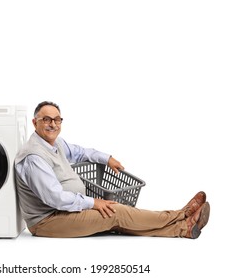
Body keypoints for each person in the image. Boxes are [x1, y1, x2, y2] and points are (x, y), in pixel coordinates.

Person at [14, 101, 210, 239]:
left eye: (57, 119)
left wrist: (107, 158)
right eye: (47, 119)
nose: (53, 124)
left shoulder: (55, 143)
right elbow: (54, 198)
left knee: (118, 221)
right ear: (35, 122)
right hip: (48, 220)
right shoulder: (34, 157)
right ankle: (180, 214)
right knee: (115, 213)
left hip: (63, 212)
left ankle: (183, 228)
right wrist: (93, 203)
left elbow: (80, 152)